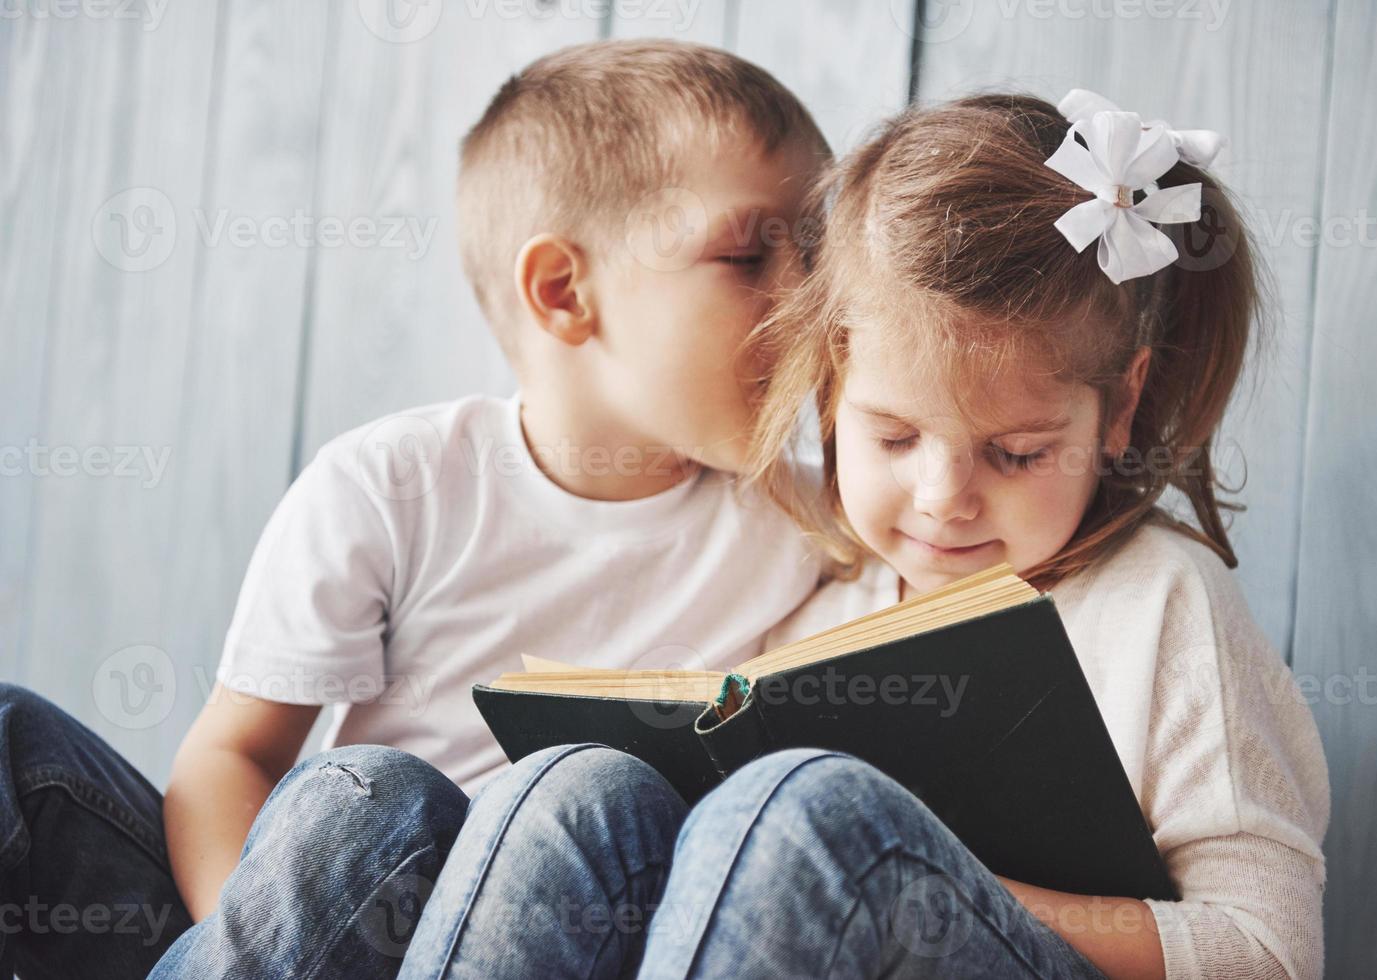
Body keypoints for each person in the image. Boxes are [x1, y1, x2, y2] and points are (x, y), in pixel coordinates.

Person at [394, 90, 1330, 980]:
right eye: (892, 437)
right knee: (568, 789)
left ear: (1117, 406)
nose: (942, 499)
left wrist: (916, 877)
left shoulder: (1163, 600)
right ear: (833, 386)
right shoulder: (816, 600)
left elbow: (1265, 951)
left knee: (810, 809)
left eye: (1014, 453)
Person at [0, 39, 834, 979]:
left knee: (542, 793)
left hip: (542, 934)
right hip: (327, 917)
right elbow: (227, 759)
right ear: (564, 294)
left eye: (816, 249)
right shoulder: (394, 484)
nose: (809, 297)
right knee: (361, 799)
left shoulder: (818, 518)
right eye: (748, 252)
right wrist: (269, 943)